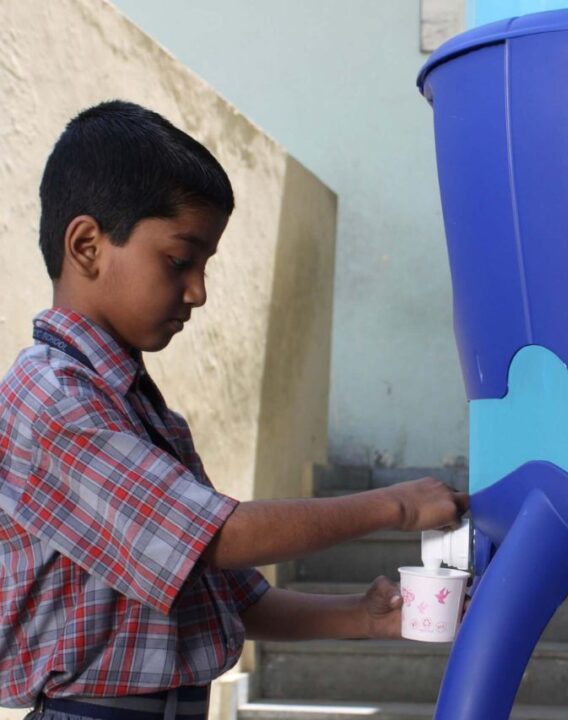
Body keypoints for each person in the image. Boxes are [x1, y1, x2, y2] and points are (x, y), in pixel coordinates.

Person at [0, 100, 468, 719]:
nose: (197, 291)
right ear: (87, 245)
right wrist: (396, 504)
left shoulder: (145, 416)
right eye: (179, 260)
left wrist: (364, 617)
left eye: (205, 265)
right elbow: (217, 538)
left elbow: (233, 595)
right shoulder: (55, 400)